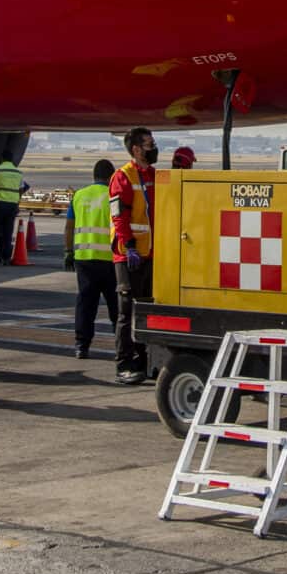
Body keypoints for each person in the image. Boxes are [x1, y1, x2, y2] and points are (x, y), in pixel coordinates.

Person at [110, 127, 160, 384]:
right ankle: (124, 364)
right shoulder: (123, 176)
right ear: (137, 149)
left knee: (145, 310)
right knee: (126, 312)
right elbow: (119, 216)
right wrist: (128, 245)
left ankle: (144, 362)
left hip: (149, 254)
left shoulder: (152, 175)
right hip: (129, 255)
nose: (154, 148)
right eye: (150, 144)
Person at [65, 158, 120, 358]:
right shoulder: (114, 195)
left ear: (94, 176)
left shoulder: (79, 195)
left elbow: (69, 226)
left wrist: (68, 251)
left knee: (86, 304)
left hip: (84, 259)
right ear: (111, 176)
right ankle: (121, 348)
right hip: (110, 260)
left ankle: (81, 346)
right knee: (116, 307)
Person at [0, 149, 28, 265]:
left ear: (1, 159)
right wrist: (16, 202)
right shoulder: (18, 172)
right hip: (12, 205)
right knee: (7, 232)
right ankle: (5, 258)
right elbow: (21, 189)